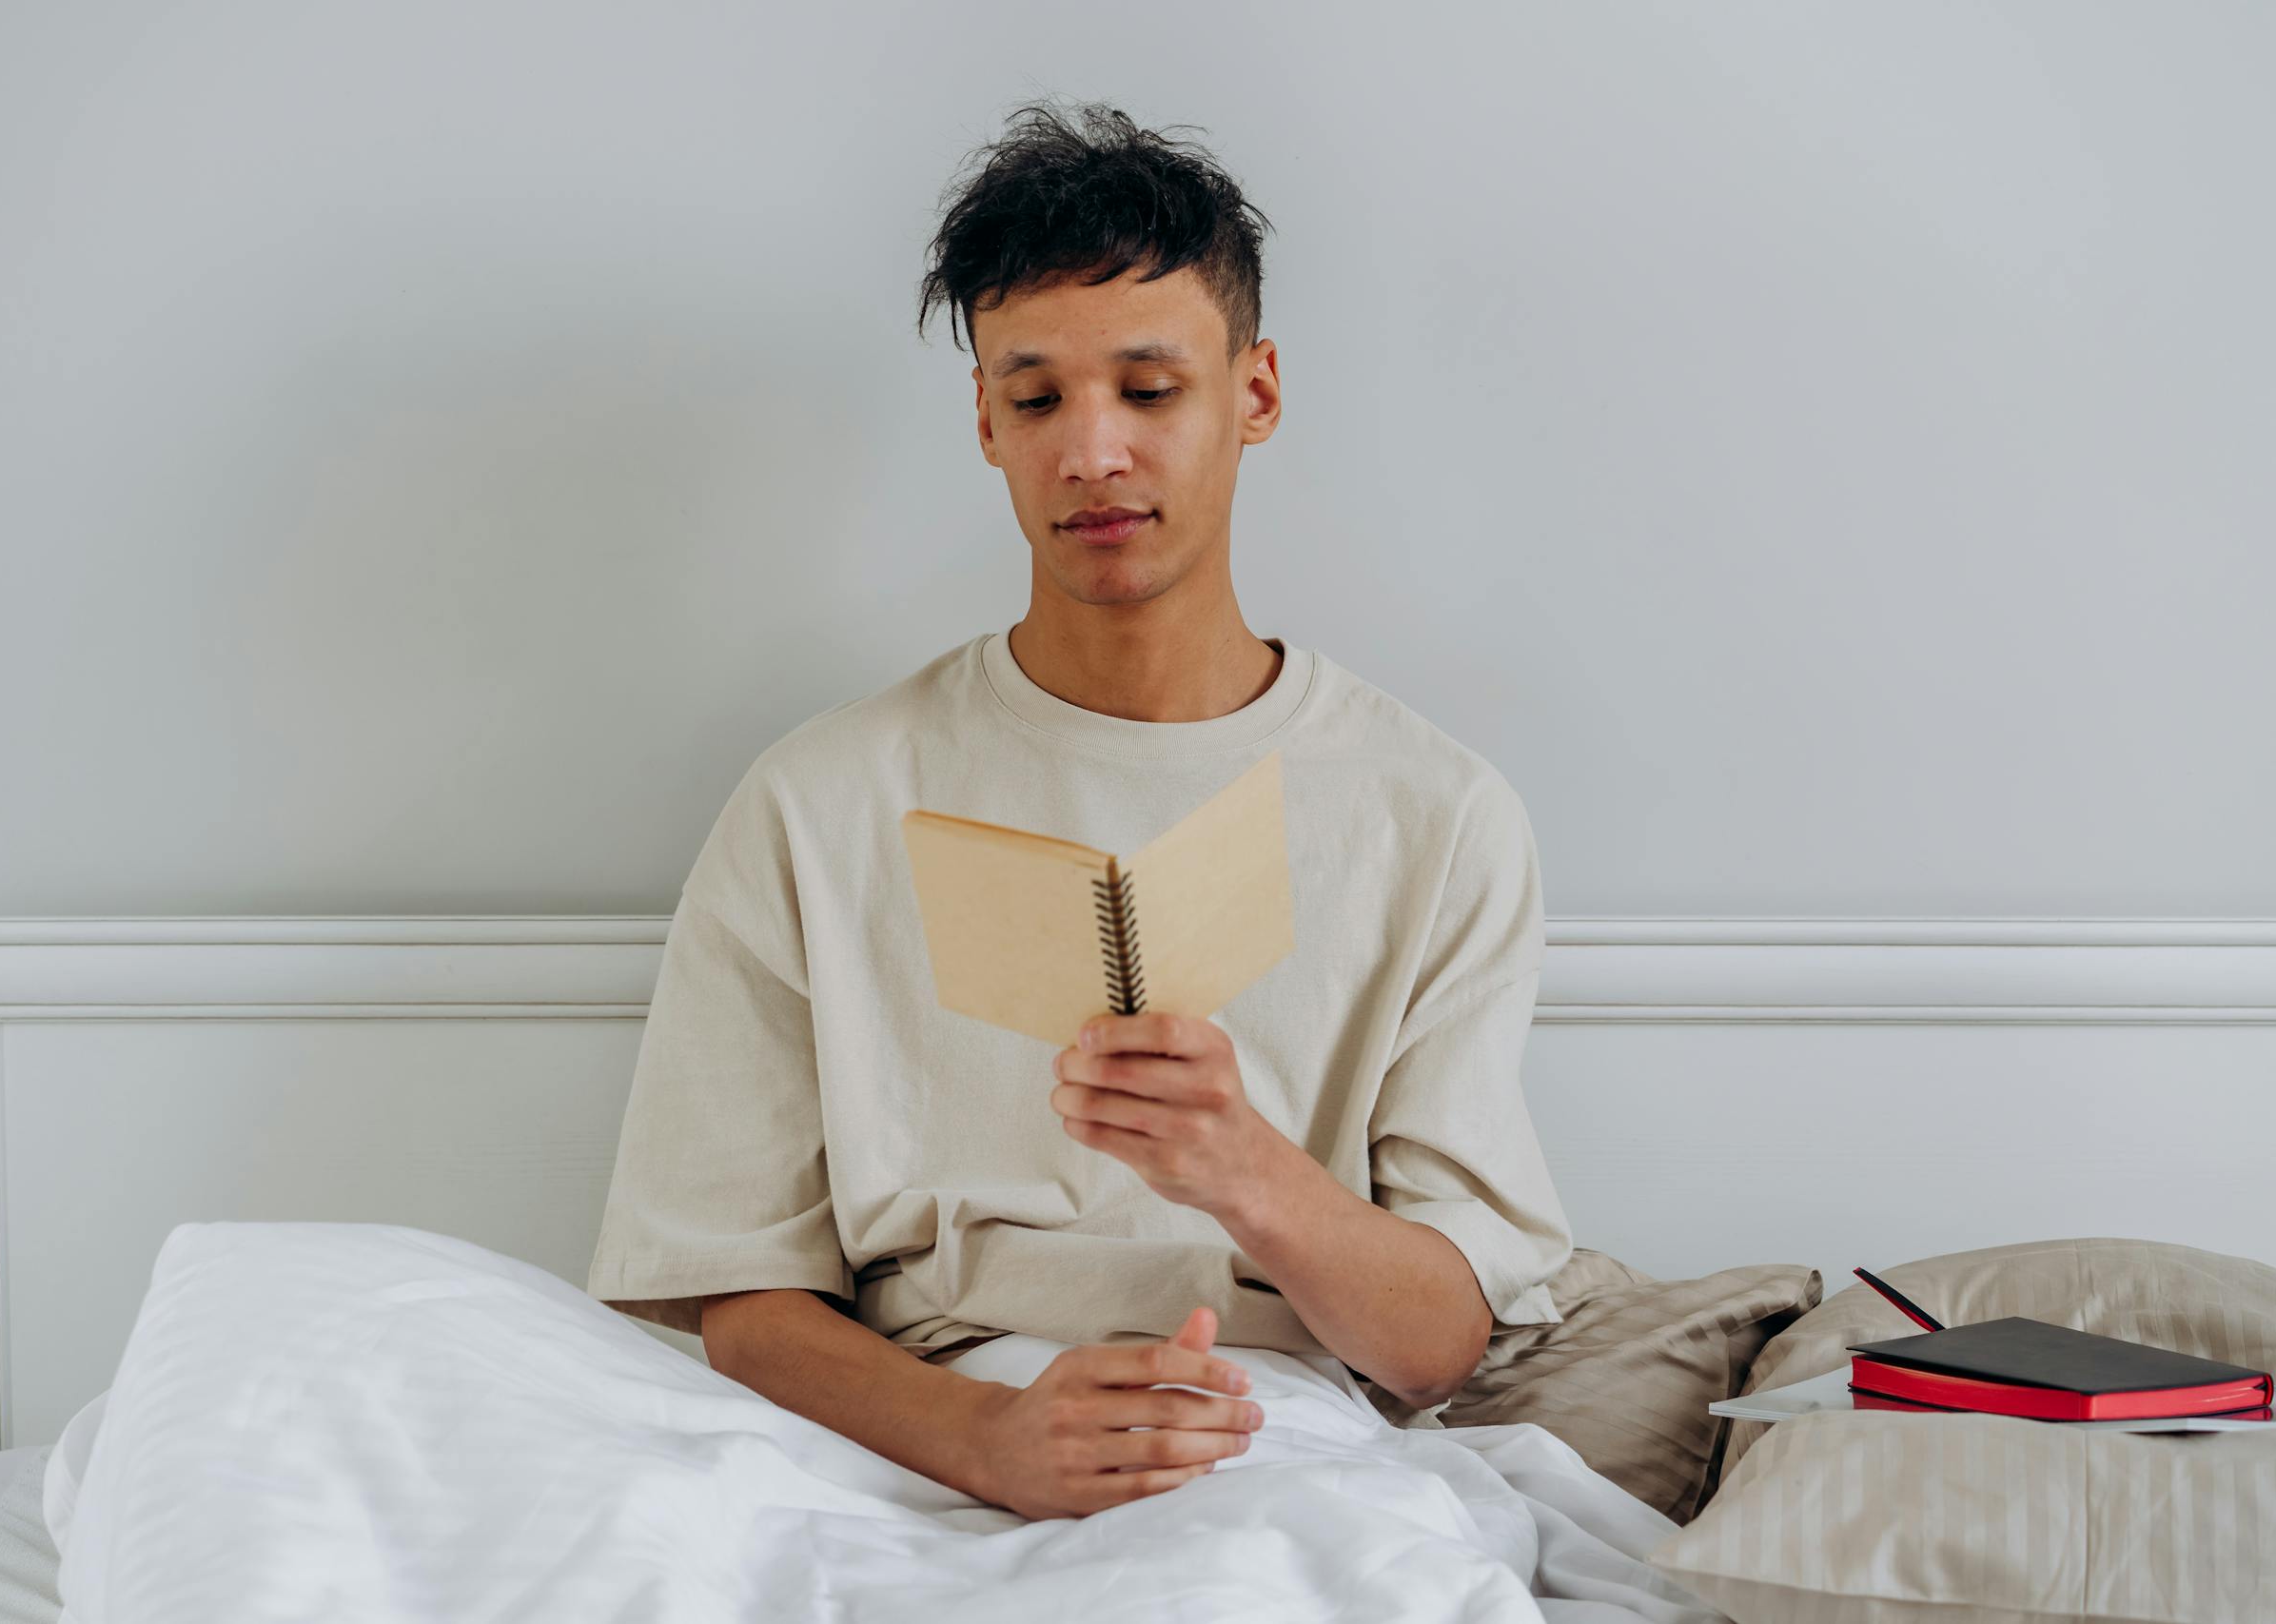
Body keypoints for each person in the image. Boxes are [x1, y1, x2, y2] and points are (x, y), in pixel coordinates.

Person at [588, 96, 1579, 1529]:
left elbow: (1438, 1343)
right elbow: (741, 1295)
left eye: (1150, 390)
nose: (1093, 453)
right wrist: (988, 1438)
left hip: (1272, 1434)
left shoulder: (1435, 814)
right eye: (1039, 397)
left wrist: (1242, 1170)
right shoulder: (822, 799)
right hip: (915, 1430)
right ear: (986, 420)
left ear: (1257, 394)